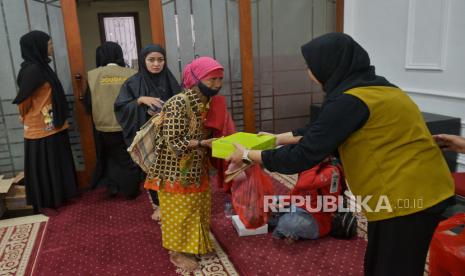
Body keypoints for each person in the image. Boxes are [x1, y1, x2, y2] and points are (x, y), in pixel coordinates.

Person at [227, 33, 455, 276]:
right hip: (416, 189)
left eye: (310, 66)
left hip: (407, 197)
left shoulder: (351, 100)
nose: (309, 72)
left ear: (329, 65)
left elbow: (302, 156)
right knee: (380, 263)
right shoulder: (378, 88)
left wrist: (250, 155)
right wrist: (274, 138)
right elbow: (323, 129)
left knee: (395, 267)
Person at [143, 56, 223, 271]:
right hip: (175, 168)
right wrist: (203, 142)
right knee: (180, 211)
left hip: (197, 164)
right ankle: (176, 252)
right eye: (212, 79)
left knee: (199, 206)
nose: (217, 84)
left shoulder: (208, 101)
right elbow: (173, 141)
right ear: (195, 78)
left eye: (219, 79)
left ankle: (195, 243)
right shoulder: (179, 102)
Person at [13, 30, 78, 214]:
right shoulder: (32, 70)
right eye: (49, 44)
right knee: (42, 164)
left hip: (52, 123)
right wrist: (24, 116)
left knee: (55, 161)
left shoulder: (42, 66)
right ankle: (44, 203)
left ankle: (59, 197)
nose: (51, 47)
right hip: (39, 126)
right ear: (38, 47)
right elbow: (23, 101)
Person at [115, 44, 181, 218]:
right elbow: (120, 107)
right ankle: (159, 204)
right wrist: (140, 100)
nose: (156, 64)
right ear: (144, 61)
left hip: (169, 133)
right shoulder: (132, 83)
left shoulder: (170, 80)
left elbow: (181, 103)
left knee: (173, 168)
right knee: (152, 169)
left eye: (160, 59)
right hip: (147, 136)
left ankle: (176, 200)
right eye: (151, 60)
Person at [85, 41, 139, 199]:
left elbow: (88, 102)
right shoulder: (131, 73)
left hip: (103, 125)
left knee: (108, 157)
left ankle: (113, 186)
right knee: (128, 157)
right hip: (127, 125)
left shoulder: (93, 75)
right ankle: (131, 190)